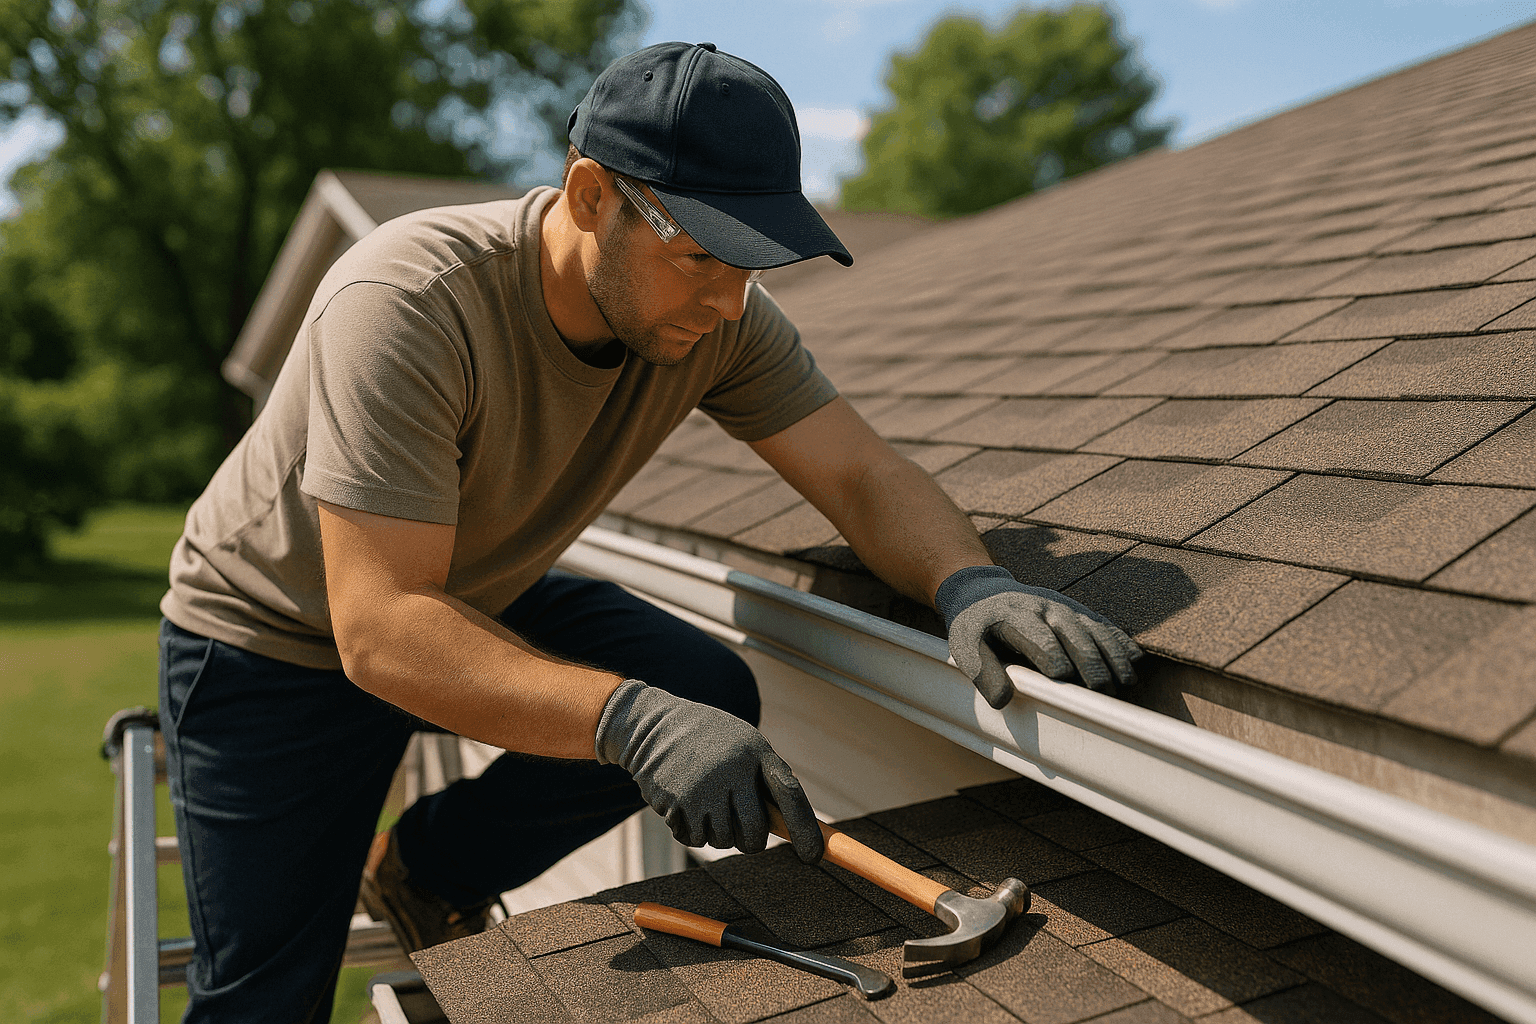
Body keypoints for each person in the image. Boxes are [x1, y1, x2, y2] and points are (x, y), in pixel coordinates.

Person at [157, 40, 1141, 1022]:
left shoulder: (720, 319)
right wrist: (627, 722)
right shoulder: (409, 303)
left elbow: (859, 470)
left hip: (467, 586)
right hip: (269, 644)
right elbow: (381, 627)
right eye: (702, 256)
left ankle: (423, 868)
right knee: (264, 997)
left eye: (752, 264)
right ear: (591, 198)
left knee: (708, 691)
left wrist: (967, 580)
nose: (725, 303)